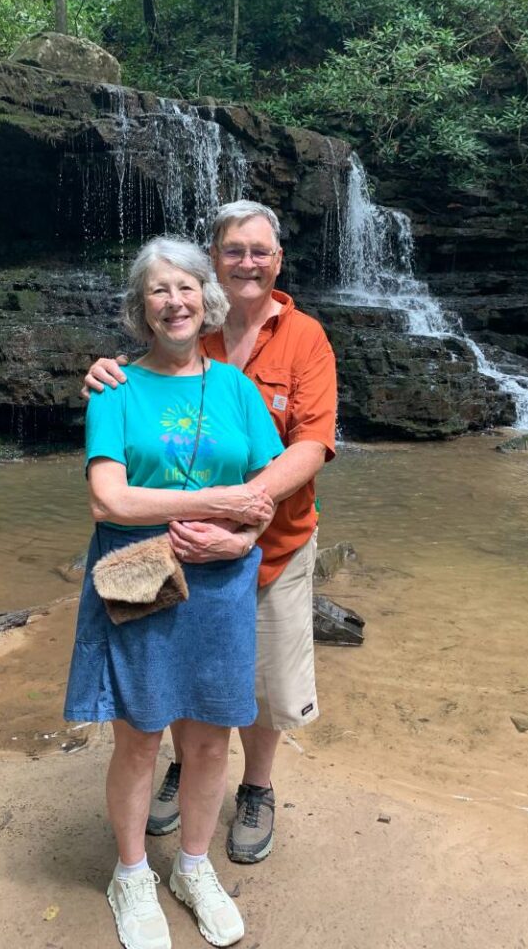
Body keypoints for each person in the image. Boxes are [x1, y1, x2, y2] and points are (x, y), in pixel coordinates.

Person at [83, 201, 338, 867]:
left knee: (261, 687)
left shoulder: (302, 338)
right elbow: (115, 479)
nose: (247, 262)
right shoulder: (187, 336)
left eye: (260, 251)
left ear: (278, 260)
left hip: (268, 545)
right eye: (233, 250)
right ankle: (176, 784)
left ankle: (255, 789)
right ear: (215, 265)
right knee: (164, 698)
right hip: (160, 557)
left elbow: (311, 444)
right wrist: (105, 373)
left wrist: (243, 524)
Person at [66, 236, 284, 949]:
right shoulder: (115, 389)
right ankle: (131, 873)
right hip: (140, 575)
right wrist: (221, 502)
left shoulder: (236, 389)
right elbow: (108, 500)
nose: (174, 301)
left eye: (186, 286)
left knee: (211, 739)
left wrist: (242, 539)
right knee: (140, 735)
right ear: (142, 307)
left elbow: (266, 492)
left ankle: (192, 867)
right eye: (159, 290)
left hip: (222, 583)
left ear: (206, 298)